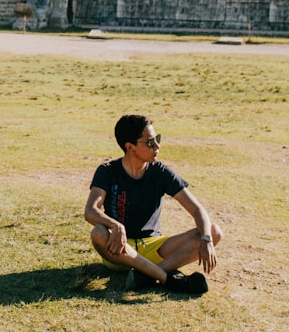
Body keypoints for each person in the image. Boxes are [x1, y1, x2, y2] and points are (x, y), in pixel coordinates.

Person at [85, 114, 222, 294]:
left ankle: (147, 276)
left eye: (157, 139)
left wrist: (206, 239)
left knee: (213, 232)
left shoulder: (161, 172)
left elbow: (197, 209)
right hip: (118, 249)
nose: (157, 146)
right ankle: (166, 277)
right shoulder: (108, 171)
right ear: (130, 147)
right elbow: (90, 211)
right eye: (150, 142)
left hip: (154, 247)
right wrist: (115, 225)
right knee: (99, 233)